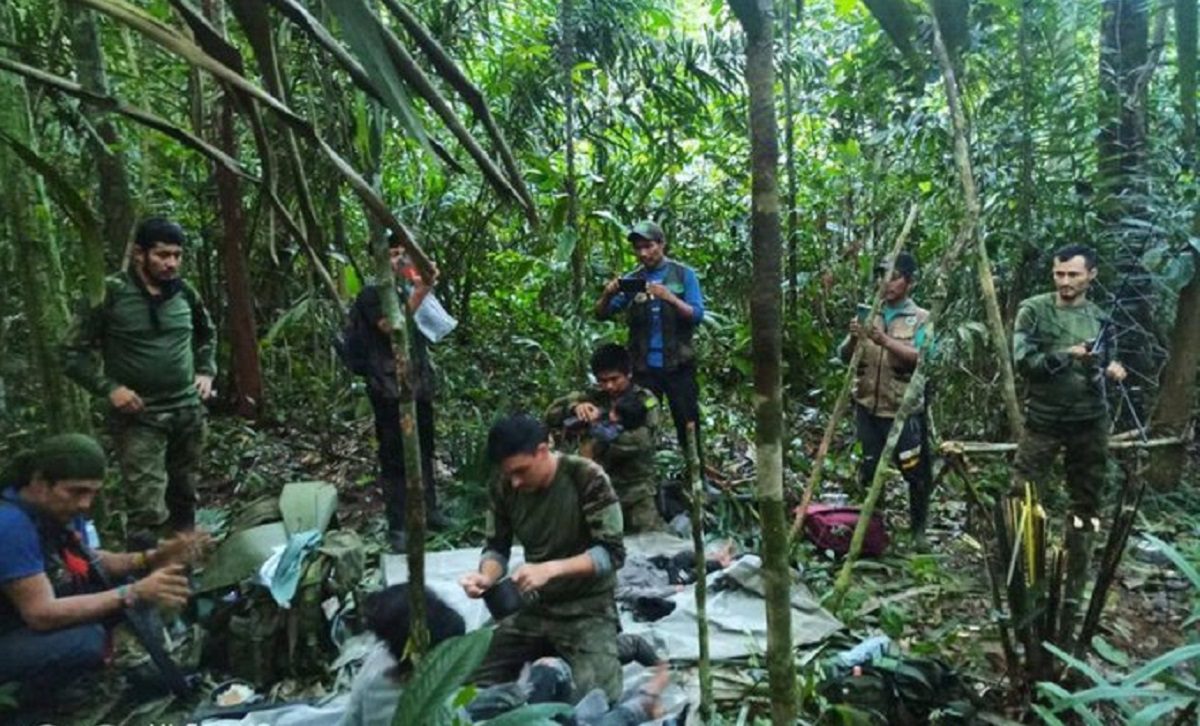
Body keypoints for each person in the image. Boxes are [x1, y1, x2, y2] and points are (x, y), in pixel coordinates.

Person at [0, 434, 208, 705]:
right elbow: (41, 613)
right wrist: (131, 592)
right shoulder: (10, 525)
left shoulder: (55, 510)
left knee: (134, 586)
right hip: (13, 629)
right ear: (40, 482)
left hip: (24, 618)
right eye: (76, 492)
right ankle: (32, 701)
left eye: (92, 493)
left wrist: (152, 557)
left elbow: (91, 561)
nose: (85, 504)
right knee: (86, 641)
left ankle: (150, 662)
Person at [63, 217, 216, 547]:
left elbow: (207, 334)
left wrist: (205, 371)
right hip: (140, 417)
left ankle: (184, 573)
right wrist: (110, 389)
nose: (171, 263)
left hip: (187, 412)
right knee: (146, 509)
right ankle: (148, 585)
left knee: (185, 495)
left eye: (177, 255)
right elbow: (71, 353)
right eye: (162, 255)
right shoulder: (110, 294)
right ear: (139, 254)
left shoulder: (185, 294)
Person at [460, 414, 625, 703]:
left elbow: (611, 553)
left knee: (597, 699)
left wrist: (551, 569)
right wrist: (487, 576)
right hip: (533, 606)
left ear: (542, 450)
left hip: (587, 607)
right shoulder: (504, 484)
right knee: (462, 676)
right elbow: (497, 547)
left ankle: (622, 646)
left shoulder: (586, 477)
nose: (514, 481)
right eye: (508, 473)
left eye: (521, 471)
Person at [343, 584, 667, 725]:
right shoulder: (407, 699)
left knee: (550, 675)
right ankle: (639, 708)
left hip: (471, 704)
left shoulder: (387, 660)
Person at [1011, 244, 1126, 635]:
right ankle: (1026, 580)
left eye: (1073, 275)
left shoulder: (1100, 318)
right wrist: (1067, 354)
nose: (1064, 281)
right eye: (1059, 274)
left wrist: (1110, 367)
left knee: (1086, 502)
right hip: (1044, 421)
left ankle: (1075, 581)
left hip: (1089, 422)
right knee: (1024, 497)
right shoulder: (1034, 310)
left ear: (1091, 275)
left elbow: (1107, 358)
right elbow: (1025, 363)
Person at [351, 234, 449, 553]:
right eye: (391, 254)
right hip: (389, 389)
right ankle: (398, 526)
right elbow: (391, 326)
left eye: (402, 253)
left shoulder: (406, 288)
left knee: (424, 448)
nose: (398, 260)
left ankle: (429, 511)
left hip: (416, 385)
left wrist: (422, 285)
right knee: (394, 457)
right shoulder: (372, 294)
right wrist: (421, 289)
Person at [837, 252, 934, 545]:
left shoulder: (921, 319)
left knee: (915, 473)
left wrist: (885, 341)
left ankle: (918, 531)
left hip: (903, 410)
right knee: (870, 469)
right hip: (868, 406)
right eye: (882, 276)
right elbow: (844, 357)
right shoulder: (870, 313)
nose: (886, 283)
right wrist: (856, 336)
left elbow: (923, 360)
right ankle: (874, 531)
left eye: (894, 277)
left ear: (910, 282)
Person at [595, 221, 706, 467]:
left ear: (661, 244)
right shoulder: (633, 280)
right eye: (638, 248)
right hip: (644, 369)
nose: (643, 253)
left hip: (679, 367)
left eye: (648, 246)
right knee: (638, 421)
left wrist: (670, 298)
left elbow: (697, 315)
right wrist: (608, 294)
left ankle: (695, 475)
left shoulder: (683, 275)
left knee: (688, 421)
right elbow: (602, 313)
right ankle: (642, 474)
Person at [545, 344, 664, 533]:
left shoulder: (645, 400)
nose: (609, 386)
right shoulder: (594, 395)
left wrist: (597, 431)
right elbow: (551, 413)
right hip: (597, 490)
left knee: (652, 545)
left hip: (635, 491)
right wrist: (575, 407)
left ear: (628, 373)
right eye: (602, 381)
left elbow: (643, 441)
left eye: (614, 379)